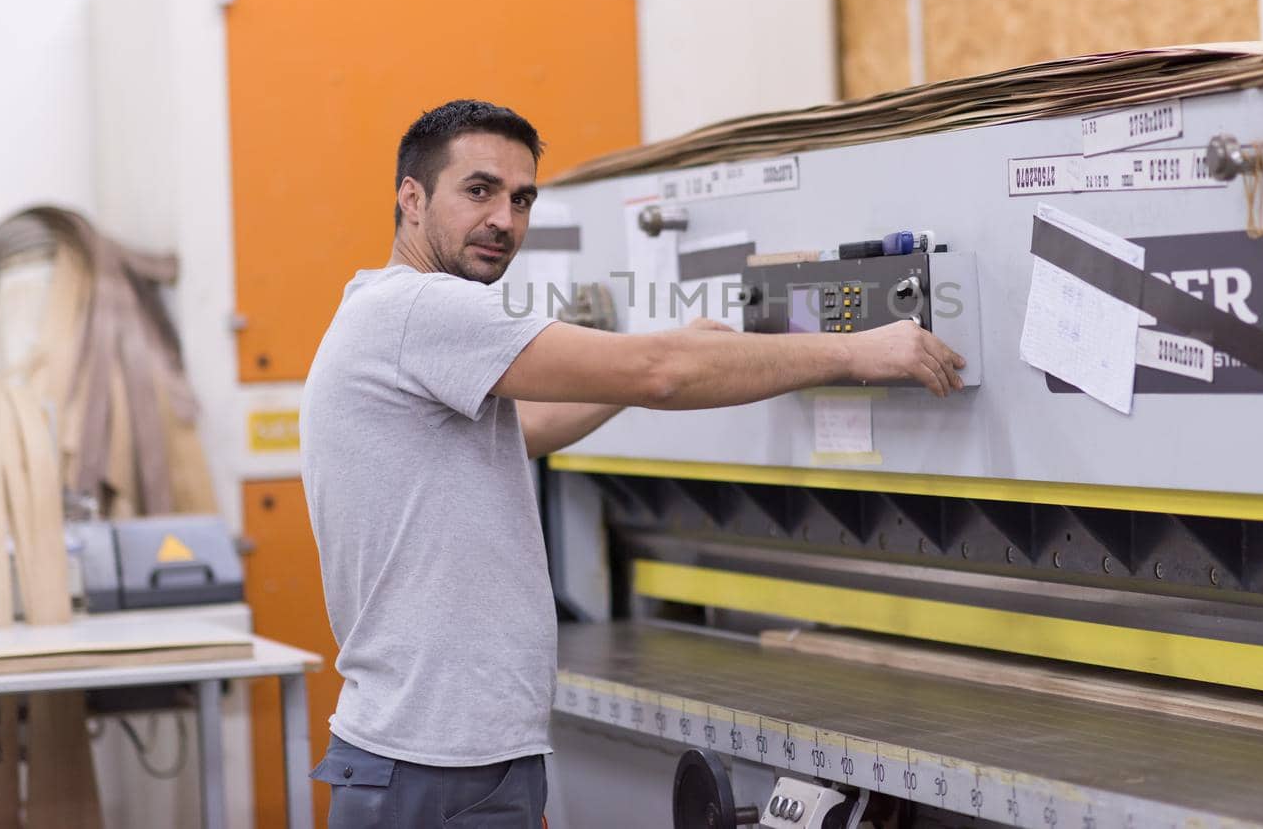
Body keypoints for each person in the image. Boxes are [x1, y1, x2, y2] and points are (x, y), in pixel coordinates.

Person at [301, 99, 965, 827]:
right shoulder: (424, 309)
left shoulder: (387, 315)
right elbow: (660, 375)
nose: (505, 221)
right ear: (412, 198)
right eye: (480, 190)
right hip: (435, 768)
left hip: (443, 756)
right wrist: (859, 348)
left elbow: (528, 429)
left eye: (522, 199)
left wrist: (676, 354)